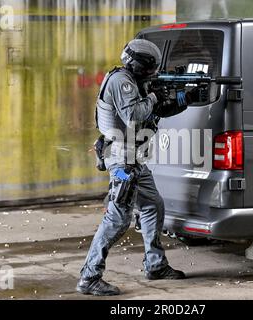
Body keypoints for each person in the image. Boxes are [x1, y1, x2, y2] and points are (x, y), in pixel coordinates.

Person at [76, 39, 199, 296]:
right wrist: (155, 95)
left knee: (153, 205)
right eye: (149, 68)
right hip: (122, 160)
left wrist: (183, 98)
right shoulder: (122, 81)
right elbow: (134, 115)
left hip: (135, 159)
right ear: (138, 65)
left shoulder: (134, 81)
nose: (152, 73)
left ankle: (155, 265)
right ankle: (89, 277)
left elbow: (158, 112)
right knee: (118, 219)